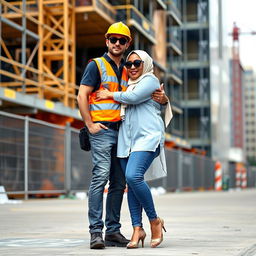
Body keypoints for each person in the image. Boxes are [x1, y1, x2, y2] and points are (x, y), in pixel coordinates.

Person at [77, 22, 168, 249]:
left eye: (122, 40)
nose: (117, 43)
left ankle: (114, 231)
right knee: (100, 179)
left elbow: (143, 94)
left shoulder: (131, 70)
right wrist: (90, 124)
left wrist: (164, 99)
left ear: (128, 44)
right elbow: (82, 95)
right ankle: (96, 232)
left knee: (120, 182)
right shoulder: (96, 65)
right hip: (102, 130)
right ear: (107, 41)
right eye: (113, 39)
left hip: (124, 133)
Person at [96, 50, 171, 249]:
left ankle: (154, 221)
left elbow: (134, 97)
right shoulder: (126, 84)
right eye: (128, 65)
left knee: (133, 176)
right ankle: (137, 229)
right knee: (131, 182)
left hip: (147, 138)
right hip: (126, 141)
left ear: (145, 63)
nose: (132, 67)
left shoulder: (150, 80)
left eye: (137, 63)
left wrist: (110, 94)